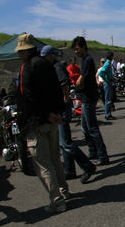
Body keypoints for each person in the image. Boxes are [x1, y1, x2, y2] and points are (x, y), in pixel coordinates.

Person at [14, 34, 70, 213]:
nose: (19, 55)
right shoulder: (47, 64)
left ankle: (57, 201)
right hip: (52, 119)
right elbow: (57, 89)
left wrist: (45, 114)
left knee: (43, 163)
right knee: (55, 159)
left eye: (20, 51)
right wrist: (57, 113)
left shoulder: (27, 67)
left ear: (26, 51)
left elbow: (28, 96)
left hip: (36, 121)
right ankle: (64, 191)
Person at [41, 45, 97, 184]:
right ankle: (69, 170)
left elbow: (65, 83)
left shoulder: (57, 67)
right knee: (63, 142)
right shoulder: (52, 67)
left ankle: (87, 166)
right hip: (59, 108)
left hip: (62, 108)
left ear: (50, 55)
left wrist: (65, 98)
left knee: (65, 142)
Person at [72, 36, 110, 166]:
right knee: (84, 127)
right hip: (85, 97)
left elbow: (80, 81)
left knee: (92, 128)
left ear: (83, 47)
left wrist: (79, 83)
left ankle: (102, 155)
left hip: (88, 98)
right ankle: (93, 150)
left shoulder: (87, 60)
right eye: (74, 50)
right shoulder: (84, 60)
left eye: (77, 49)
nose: (76, 51)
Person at [98, 52, 116, 120]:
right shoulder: (107, 63)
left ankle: (108, 113)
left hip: (109, 82)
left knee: (109, 99)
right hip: (107, 84)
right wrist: (106, 79)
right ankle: (107, 114)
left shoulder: (108, 63)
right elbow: (101, 72)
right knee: (108, 100)